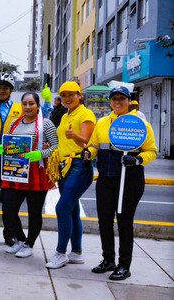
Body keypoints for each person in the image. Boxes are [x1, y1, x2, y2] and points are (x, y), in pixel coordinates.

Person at [82, 86, 157, 280]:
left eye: (121, 98)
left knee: (124, 224)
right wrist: (89, 153)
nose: (117, 102)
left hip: (129, 181)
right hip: (106, 180)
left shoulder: (140, 124)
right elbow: (94, 145)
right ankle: (108, 260)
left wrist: (138, 159)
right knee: (104, 223)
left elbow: (151, 151)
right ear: (110, 101)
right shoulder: (102, 123)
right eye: (114, 98)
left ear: (129, 101)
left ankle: (124, 266)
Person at [0, 92, 58, 258]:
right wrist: (0, 149)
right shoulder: (14, 123)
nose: (28, 107)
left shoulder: (46, 124)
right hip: (14, 172)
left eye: (31, 104)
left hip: (36, 174)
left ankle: (29, 244)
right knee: (8, 210)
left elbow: (57, 147)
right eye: (25, 104)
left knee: (34, 212)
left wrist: (42, 153)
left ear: (37, 106)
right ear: (21, 105)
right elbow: (7, 144)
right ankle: (21, 240)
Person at [45, 81, 96, 269]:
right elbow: (63, 140)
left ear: (79, 95)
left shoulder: (86, 114)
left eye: (71, 95)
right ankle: (76, 252)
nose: (67, 98)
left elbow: (86, 141)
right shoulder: (67, 114)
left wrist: (73, 136)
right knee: (72, 210)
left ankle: (60, 253)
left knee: (62, 208)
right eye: (63, 95)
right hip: (64, 165)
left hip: (79, 166)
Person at [0, 72, 22, 246]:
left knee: (10, 200)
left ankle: (9, 234)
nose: (2, 91)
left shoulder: (19, 107)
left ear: (11, 90)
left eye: (5, 88)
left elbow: (36, 121)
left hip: (13, 159)